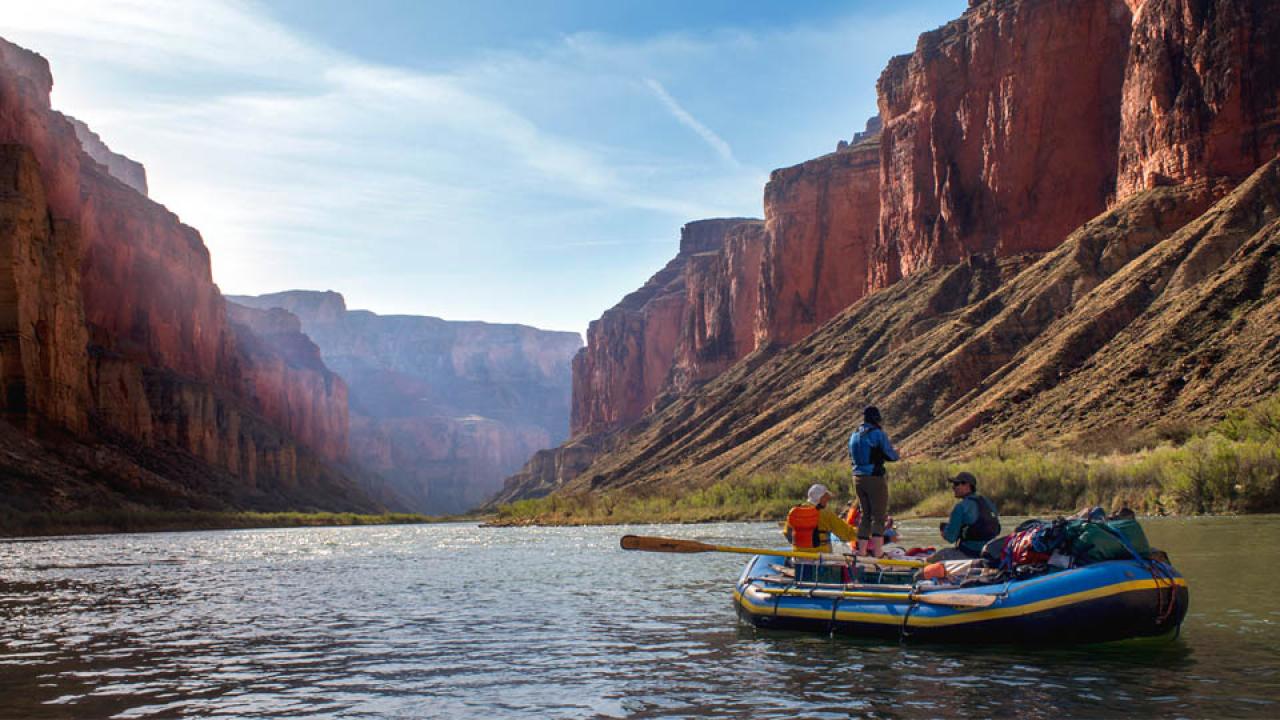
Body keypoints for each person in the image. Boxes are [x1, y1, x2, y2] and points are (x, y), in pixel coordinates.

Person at [848, 405, 899, 557]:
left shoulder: (854, 435)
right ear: (876, 419)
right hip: (874, 478)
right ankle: (878, 553)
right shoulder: (877, 433)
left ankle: (862, 552)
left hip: (857, 478)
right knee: (879, 515)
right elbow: (891, 456)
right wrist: (898, 453)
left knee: (865, 514)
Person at [783, 483, 857, 583]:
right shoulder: (825, 513)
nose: (827, 501)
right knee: (847, 565)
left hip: (799, 559)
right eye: (826, 498)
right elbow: (847, 534)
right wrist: (865, 534)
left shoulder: (794, 511)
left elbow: (786, 533)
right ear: (820, 498)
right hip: (821, 559)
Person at [931, 472, 1001, 562]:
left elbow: (951, 538)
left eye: (956, 484)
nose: (953, 487)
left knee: (938, 556)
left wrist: (944, 531)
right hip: (990, 554)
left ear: (967, 486)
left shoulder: (961, 507)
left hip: (969, 553)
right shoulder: (989, 503)